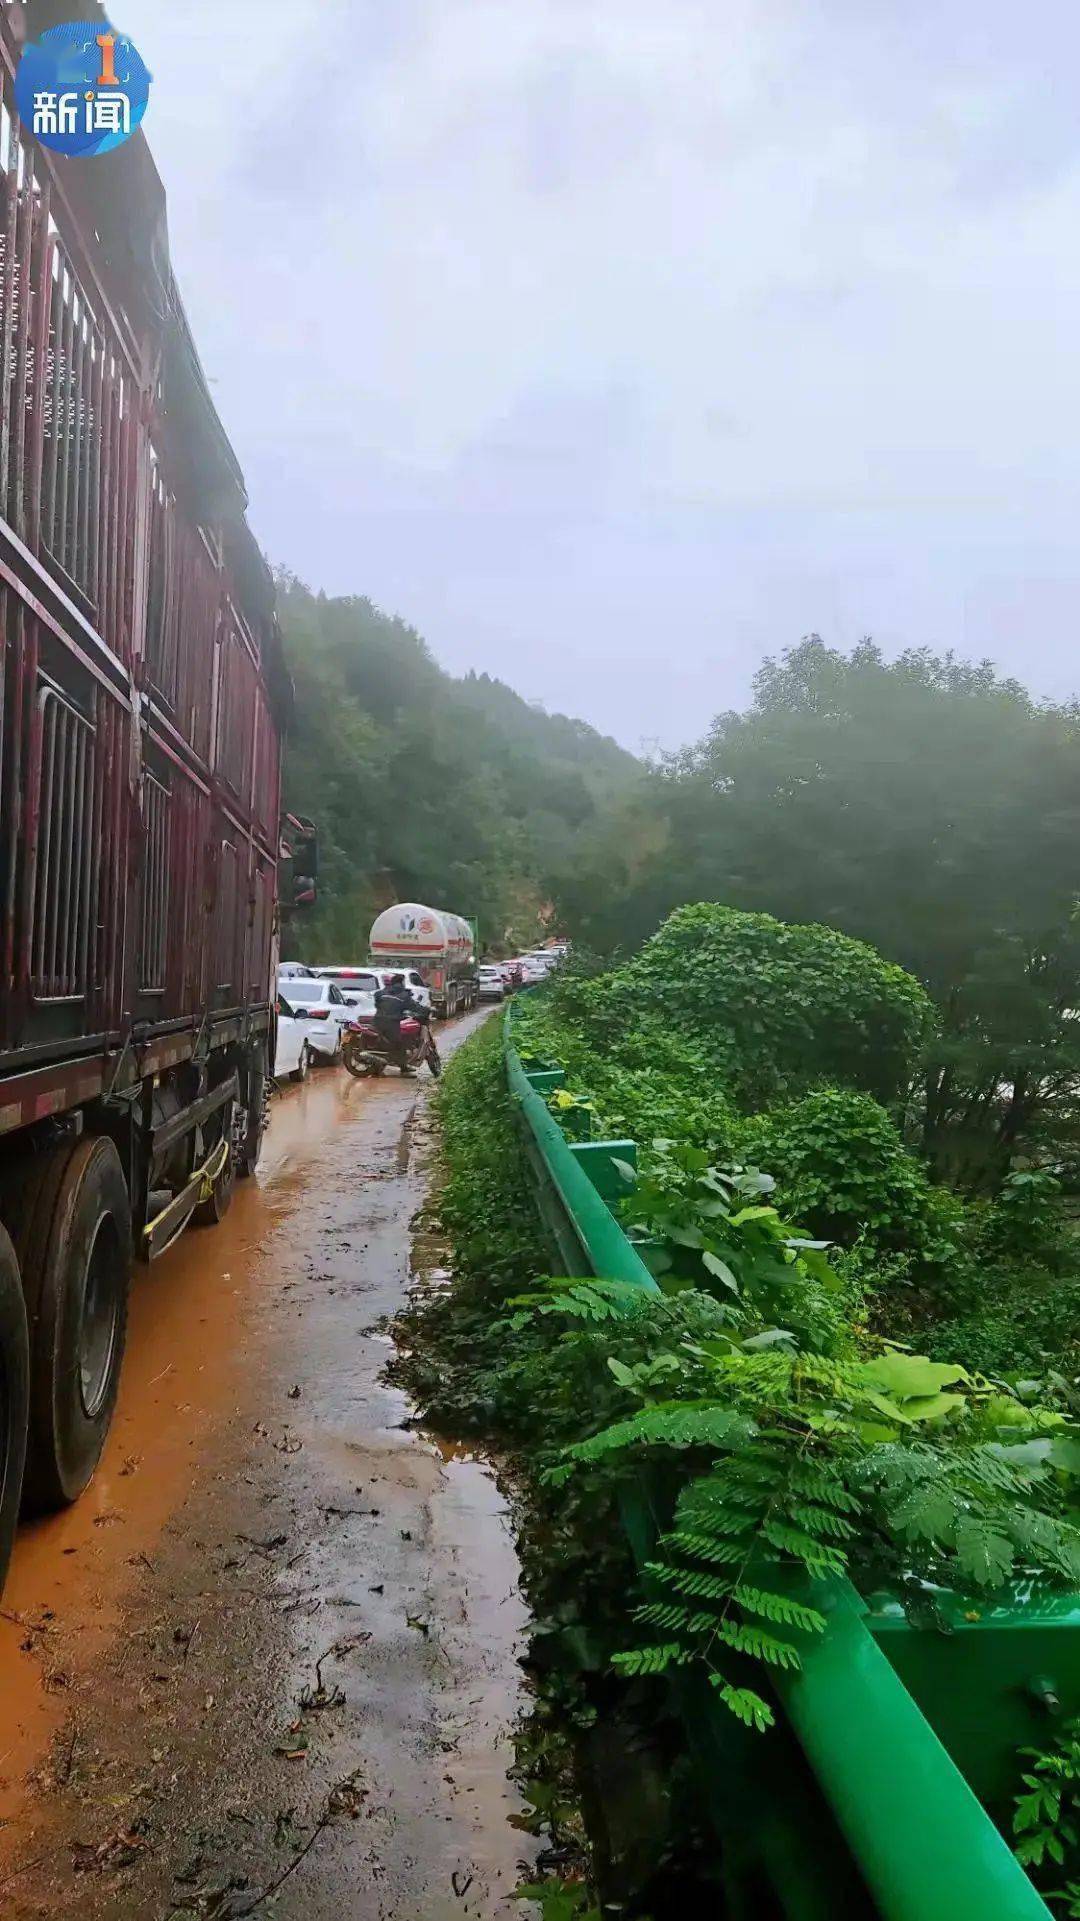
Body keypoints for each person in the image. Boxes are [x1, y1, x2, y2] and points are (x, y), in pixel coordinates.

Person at [373, 972, 422, 1072]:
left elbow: (377, 1002)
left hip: (377, 1021)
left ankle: (380, 1064)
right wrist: (426, 1010)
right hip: (391, 1023)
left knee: (385, 1041)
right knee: (400, 1044)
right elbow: (415, 1007)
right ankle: (403, 1067)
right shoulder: (404, 995)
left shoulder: (382, 992)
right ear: (402, 982)